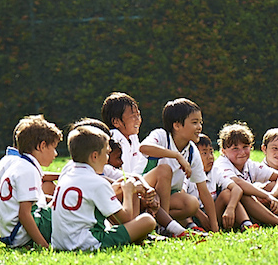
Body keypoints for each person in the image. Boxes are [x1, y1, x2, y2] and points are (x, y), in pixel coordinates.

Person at [51, 126, 156, 251]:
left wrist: (118, 187)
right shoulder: (97, 182)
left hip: (59, 243)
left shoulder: (67, 175)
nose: (107, 159)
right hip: (87, 243)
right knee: (148, 221)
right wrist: (128, 192)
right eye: (107, 153)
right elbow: (126, 219)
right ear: (94, 156)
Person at [139, 98, 219, 233]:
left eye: (200, 122)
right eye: (194, 122)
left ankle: (161, 222)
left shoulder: (192, 150)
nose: (199, 127)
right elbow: (144, 147)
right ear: (176, 125)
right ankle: (164, 228)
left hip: (166, 198)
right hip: (143, 193)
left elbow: (203, 191)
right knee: (165, 170)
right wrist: (176, 156)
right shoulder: (161, 135)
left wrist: (215, 227)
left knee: (192, 204)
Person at [213, 122, 278, 226]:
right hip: (224, 212)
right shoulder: (221, 164)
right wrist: (266, 196)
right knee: (242, 192)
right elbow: (238, 183)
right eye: (235, 148)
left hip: (246, 209)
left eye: (245, 147)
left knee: (273, 185)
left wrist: (272, 194)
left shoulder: (249, 164)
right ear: (223, 151)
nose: (242, 152)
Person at [0, 115, 62, 248]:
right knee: (72, 214)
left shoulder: (21, 165)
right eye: (53, 148)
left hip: (12, 233)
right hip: (19, 235)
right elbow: (24, 214)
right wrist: (44, 245)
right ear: (42, 146)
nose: (56, 153)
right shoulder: (28, 170)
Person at [185, 134, 256, 231]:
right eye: (204, 153)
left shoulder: (215, 171)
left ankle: (247, 224)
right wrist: (200, 215)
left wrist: (230, 208)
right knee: (184, 202)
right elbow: (181, 195)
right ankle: (192, 228)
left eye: (211, 152)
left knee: (227, 193)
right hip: (192, 214)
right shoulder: (186, 173)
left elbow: (237, 189)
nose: (210, 157)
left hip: (212, 214)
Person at [101, 92, 146, 175]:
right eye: (133, 116)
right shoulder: (113, 140)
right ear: (116, 122)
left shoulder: (133, 137)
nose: (138, 119)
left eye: (138, 115)